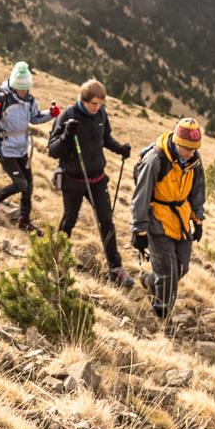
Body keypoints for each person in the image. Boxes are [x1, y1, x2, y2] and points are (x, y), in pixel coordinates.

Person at [46, 79, 133, 287]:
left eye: (101, 103)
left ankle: (115, 267)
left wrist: (119, 148)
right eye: (94, 103)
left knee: (107, 221)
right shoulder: (68, 116)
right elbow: (52, 150)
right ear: (83, 100)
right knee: (70, 220)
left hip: (97, 179)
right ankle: (56, 258)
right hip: (73, 179)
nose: (97, 108)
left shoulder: (101, 115)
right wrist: (67, 135)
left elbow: (105, 139)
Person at [131, 118, 207, 326]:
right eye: (187, 148)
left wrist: (198, 220)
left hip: (180, 220)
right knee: (168, 274)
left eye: (194, 148)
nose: (191, 152)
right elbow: (141, 195)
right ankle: (163, 318)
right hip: (157, 219)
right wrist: (139, 230)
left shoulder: (194, 161)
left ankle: (149, 281)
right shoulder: (155, 159)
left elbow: (198, 190)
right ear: (176, 141)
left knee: (181, 267)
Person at [0, 61, 59, 232]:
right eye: (20, 88)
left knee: (28, 186)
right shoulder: (1, 98)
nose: (23, 92)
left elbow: (35, 118)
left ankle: (24, 220)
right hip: (4, 148)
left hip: (21, 148)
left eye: (26, 88)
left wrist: (50, 114)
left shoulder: (29, 100)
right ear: (13, 85)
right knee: (21, 183)